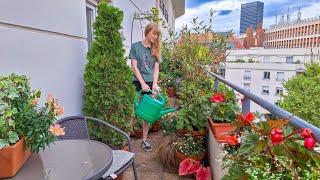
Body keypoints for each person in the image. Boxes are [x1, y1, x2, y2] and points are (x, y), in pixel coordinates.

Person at [130, 22, 161, 152]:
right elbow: (134, 67)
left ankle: (144, 140)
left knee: (147, 114)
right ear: (147, 32)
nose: (155, 37)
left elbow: (156, 70)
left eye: (157, 35)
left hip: (150, 83)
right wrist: (142, 83)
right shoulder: (136, 47)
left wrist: (154, 85)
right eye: (154, 34)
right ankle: (126, 138)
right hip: (137, 82)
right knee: (132, 111)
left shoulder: (156, 49)